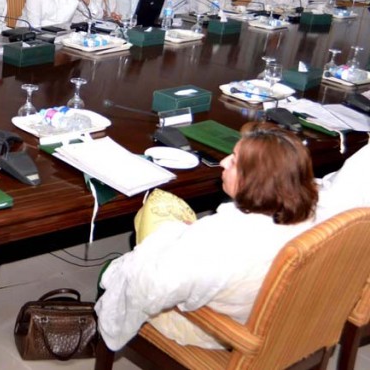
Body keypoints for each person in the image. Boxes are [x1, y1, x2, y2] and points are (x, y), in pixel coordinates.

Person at [96, 122, 317, 350]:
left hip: (216, 332)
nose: (222, 162)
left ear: (255, 180)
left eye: (233, 160)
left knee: (115, 273)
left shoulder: (220, 239)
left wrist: (163, 240)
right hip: (270, 316)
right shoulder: (311, 217)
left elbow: (150, 289)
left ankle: (96, 338)